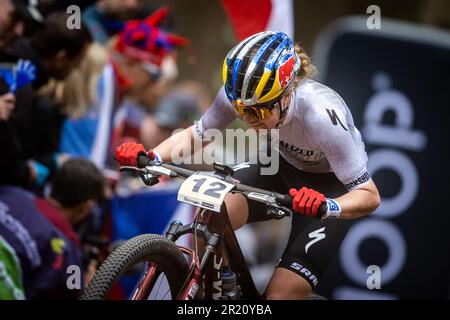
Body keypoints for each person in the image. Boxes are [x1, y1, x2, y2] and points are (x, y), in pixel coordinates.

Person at [115, 31, 381, 300]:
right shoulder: (242, 93)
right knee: (211, 215)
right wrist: (151, 156)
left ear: (286, 95)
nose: (250, 119)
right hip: (277, 168)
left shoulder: (320, 116)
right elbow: (198, 133)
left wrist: (328, 206)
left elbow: (370, 196)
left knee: (280, 295)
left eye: (260, 111)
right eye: (242, 111)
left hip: (329, 190)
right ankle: (221, 293)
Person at [0, 158, 104, 299]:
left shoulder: (10, 192)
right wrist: (88, 287)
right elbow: (77, 294)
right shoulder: (70, 252)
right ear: (85, 207)